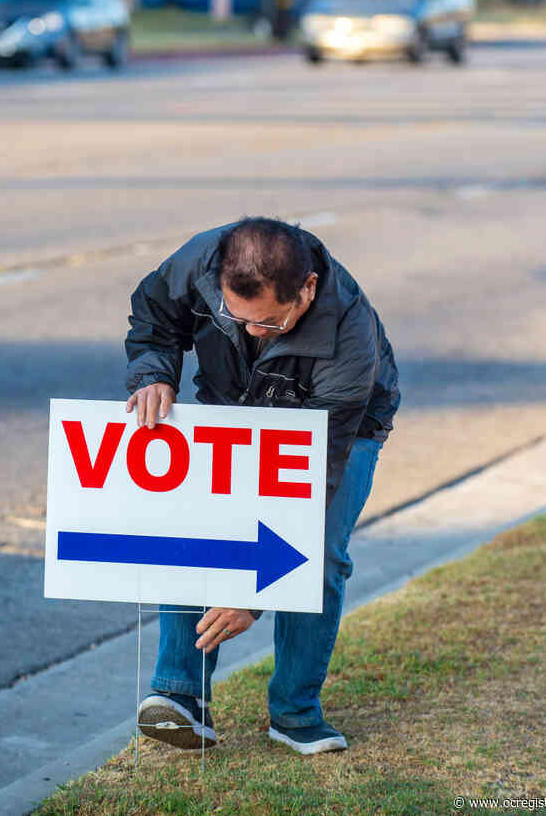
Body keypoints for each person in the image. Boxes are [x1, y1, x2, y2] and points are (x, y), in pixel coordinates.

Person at [125, 217, 399, 755]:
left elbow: (312, 480)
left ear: (308, 290)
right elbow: (154, 316)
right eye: (237, 316)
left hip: (336, 428)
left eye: (271, 323)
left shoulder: (349, 332)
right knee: (202, 535)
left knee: (317, 553)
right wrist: (154, 372)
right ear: (221, 280)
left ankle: (295, 714)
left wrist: (255, 593)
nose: (252, 332)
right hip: (236, 410)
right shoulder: (197, 263)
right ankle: (180, 697)